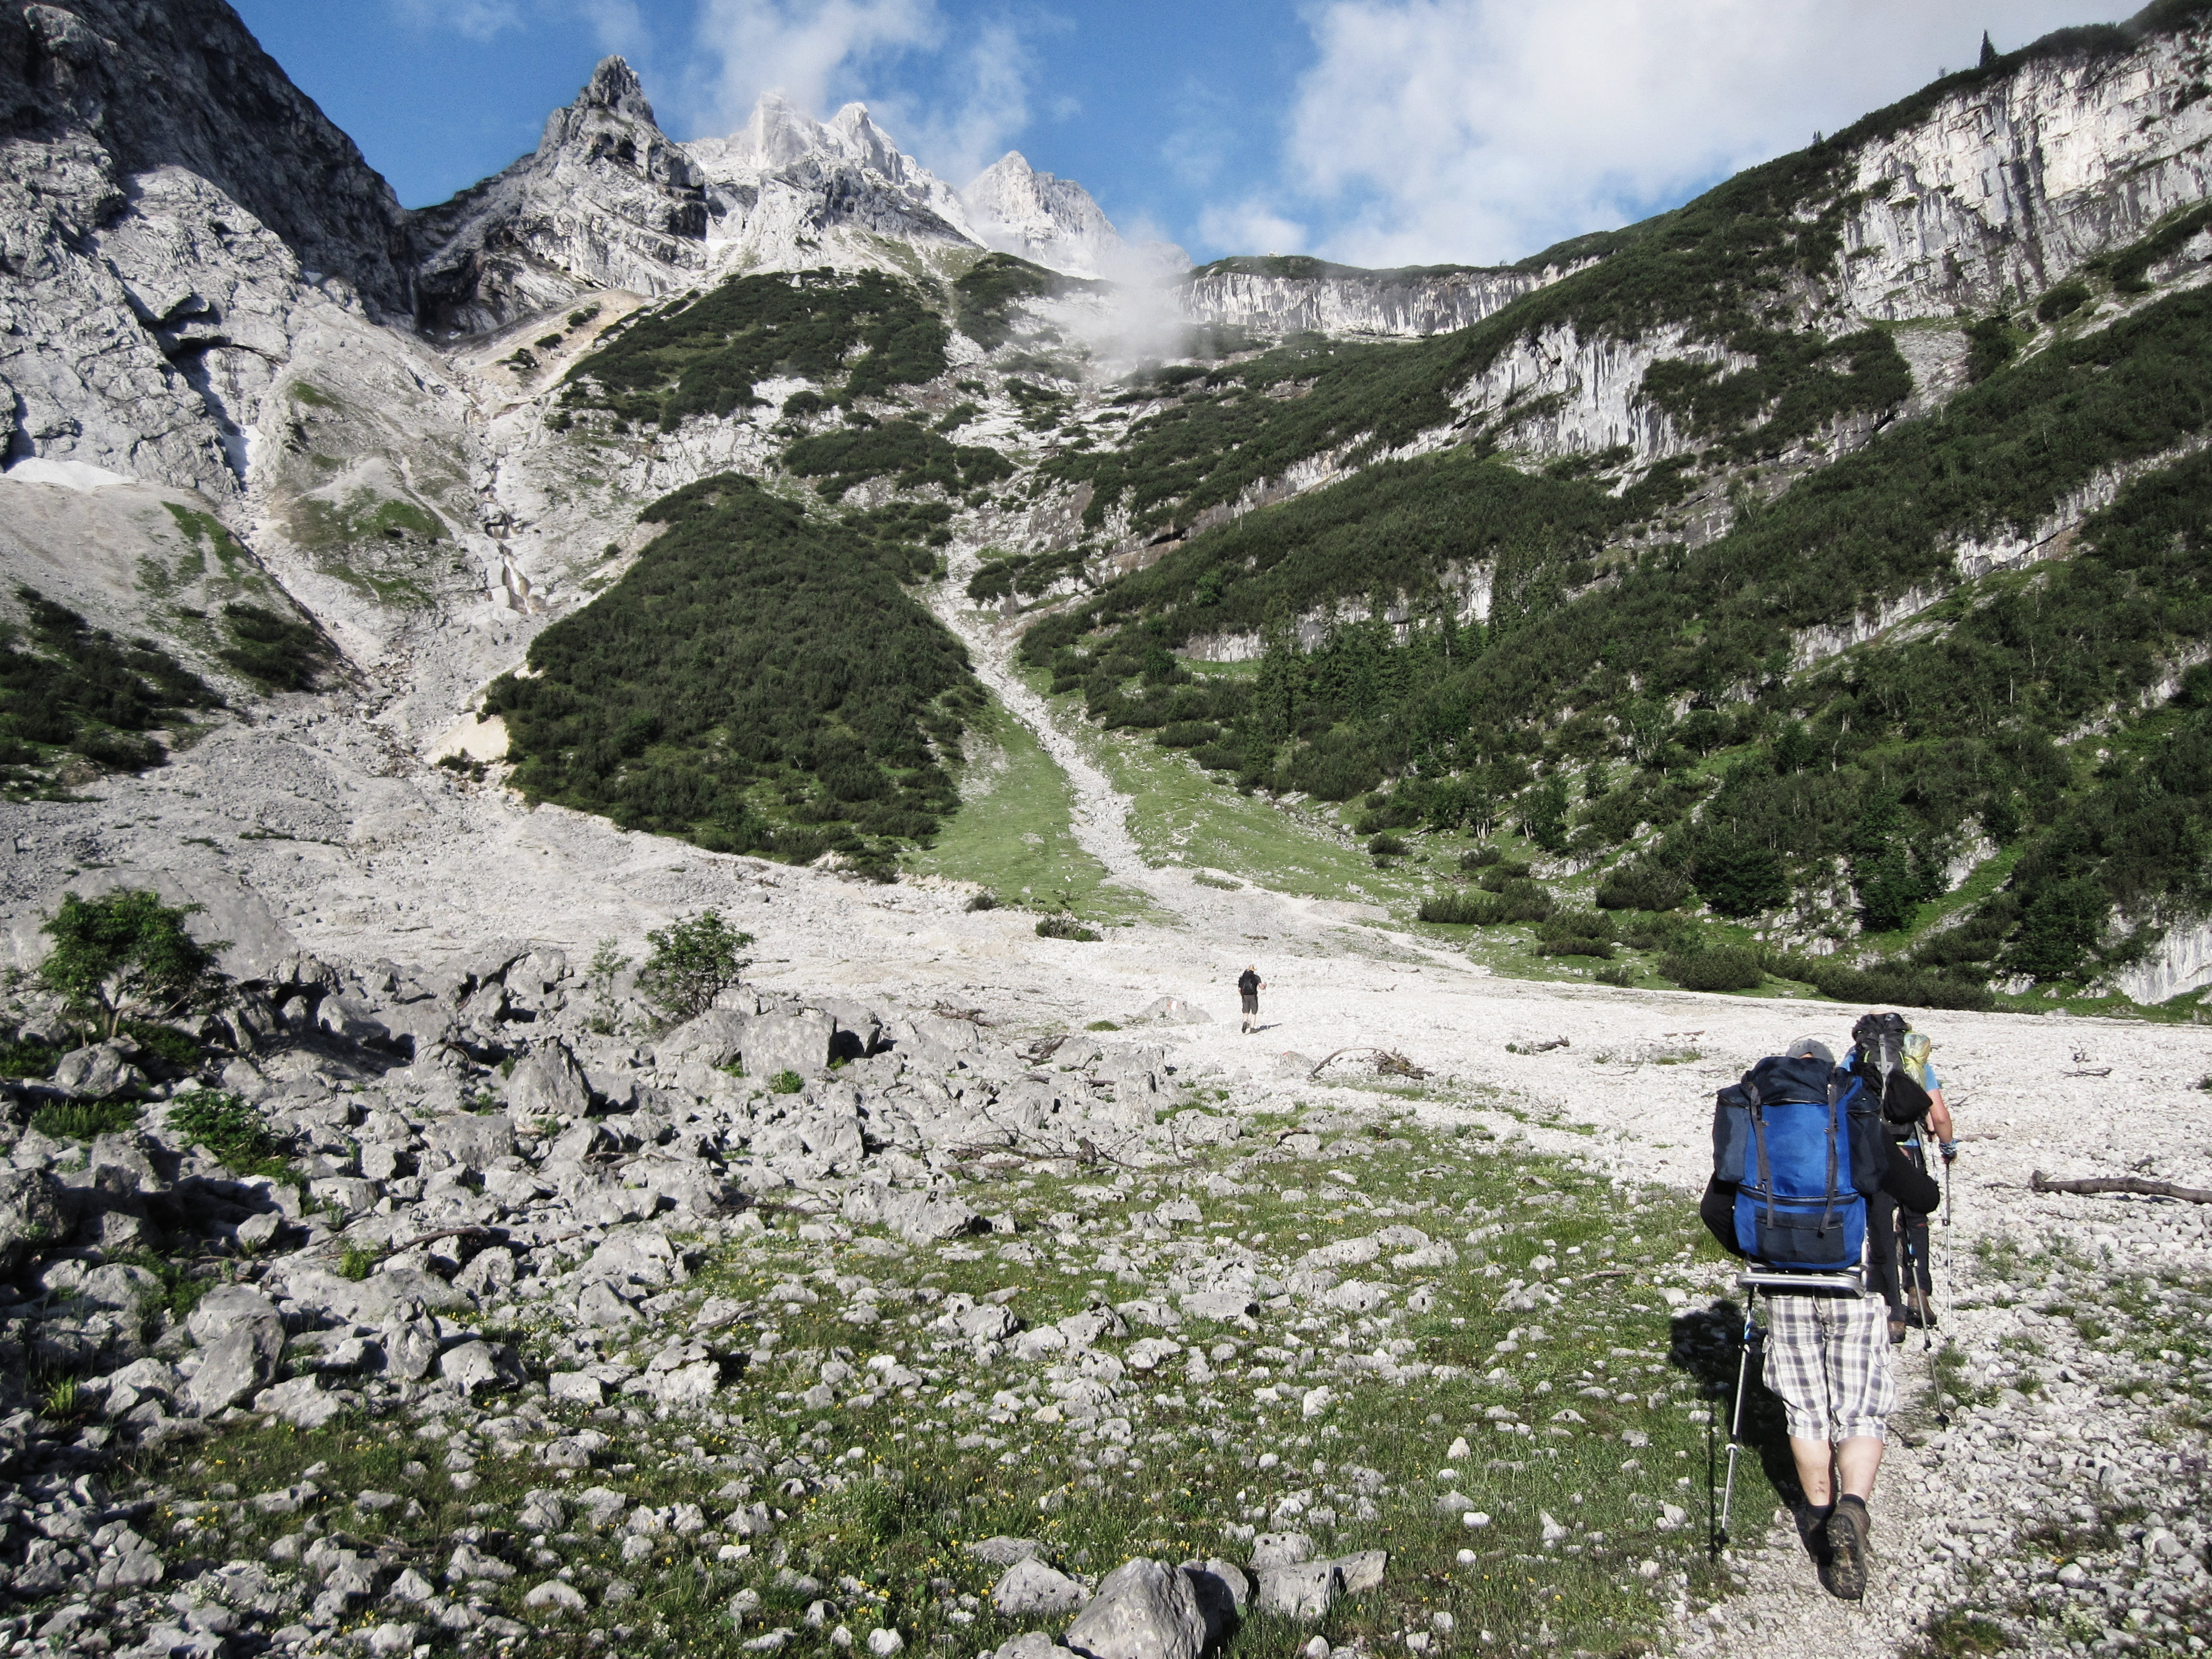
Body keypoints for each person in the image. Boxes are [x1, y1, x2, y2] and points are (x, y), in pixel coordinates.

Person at [1702, 1035, 1896, 1601]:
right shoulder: (1849, 1107)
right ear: (1829, 1071)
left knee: (1804, 1406)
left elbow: (1715, 1208)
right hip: (1850, 1279)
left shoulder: (1759, 1109)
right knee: (1859, 1405)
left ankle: (1816, 1514)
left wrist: (1758, 1253)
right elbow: (1915, 1194)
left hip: (1780, 1277)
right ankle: (1852, 1509)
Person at [1858, 1020, 1956, 1343]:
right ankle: (1919, 1293)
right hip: (1910, 1150)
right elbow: (1938, 1115)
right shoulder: (1916, 1061)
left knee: (1881, 1228)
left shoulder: (1856, 1057)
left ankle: (1893, 1314)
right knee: (1915, 1221)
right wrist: (1948, 1147)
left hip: (1876, 1151)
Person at [1236, 964, 1264, 1034]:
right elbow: (1262, 987)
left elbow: (1240, 989)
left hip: (1245, 996)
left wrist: (1242, 995)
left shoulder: (1242, 978)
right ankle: (1252, 1028)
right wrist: (1265, 985)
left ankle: (1245, 1022)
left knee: (1246, 1012)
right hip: (1253, 996)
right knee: (1254, 1012)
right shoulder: (1256, 977)